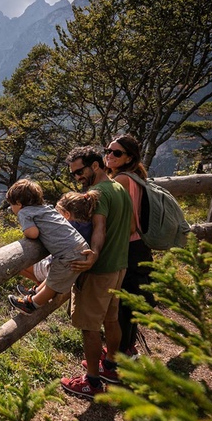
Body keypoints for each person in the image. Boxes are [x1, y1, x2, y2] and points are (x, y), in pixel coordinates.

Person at [60, 146, 133, 398]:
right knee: (111, 319)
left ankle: (91, 382)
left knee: (89, 327)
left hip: (99, 270)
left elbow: (99, 228)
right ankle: (110, 366)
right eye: (73, 174)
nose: (77, 177)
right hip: (119, 265)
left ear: (95, 165)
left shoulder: (97, 193)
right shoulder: (119, 187)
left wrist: (94, 256)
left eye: (79, 171)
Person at [3, 179, 90, 314]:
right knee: (54, 275)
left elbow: (33, 233)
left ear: (19, 203)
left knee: (52, 285)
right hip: (81, 247)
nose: (12, 208)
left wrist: (26, 231)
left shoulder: (24, 212)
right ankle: (35, 291)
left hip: (68, 254)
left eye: (11, 205)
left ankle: (31, 304)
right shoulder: (46, 208)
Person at [104, 134, 155, 359]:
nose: (110, 155)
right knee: (130, 300)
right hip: (140, 247)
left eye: (117, 153)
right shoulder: (136, 177)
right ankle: (128, 348)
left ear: (129, 158)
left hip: (128, 248)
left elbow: (130, 224)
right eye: (108, 150)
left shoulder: (121, 181)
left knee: (122, 305)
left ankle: (117, 357)